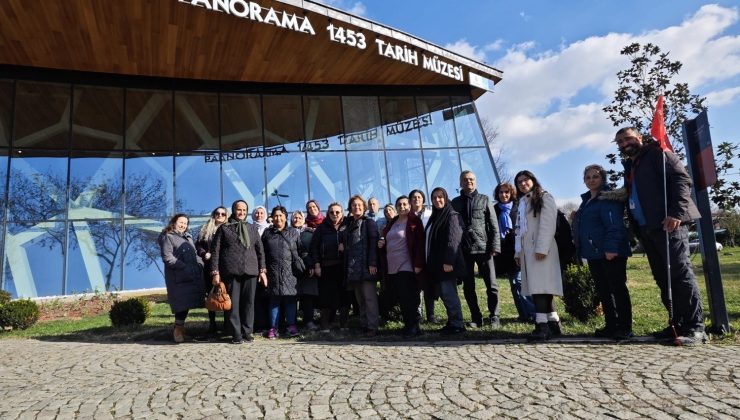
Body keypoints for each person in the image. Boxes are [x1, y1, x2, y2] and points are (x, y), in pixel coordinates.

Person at [614, 127, 705, 345]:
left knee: (680, 275)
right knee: (663, 278)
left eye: (627, 138)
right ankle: (677, 323)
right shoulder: (631, 165)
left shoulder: (658, 152)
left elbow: (682, 180)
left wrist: (676, 213)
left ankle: (696, 327)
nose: (624, 143)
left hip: (669, 225)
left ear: (640, 138)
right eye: (619, 141)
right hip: (647, 229)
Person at [573, 164, 633, 340]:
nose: (592, 180)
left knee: (617, 290)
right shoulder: (587, 202)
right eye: (588, 177)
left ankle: (624, 327)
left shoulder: (608, 198)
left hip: (609, 252)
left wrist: (611, 248)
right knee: (604, 291)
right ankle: (611, 325)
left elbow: (613, 225)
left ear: (603, 178)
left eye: (595, 176)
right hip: (594, 253)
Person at [514, 170, 564, 342]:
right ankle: (553, 322)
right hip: (528, 251)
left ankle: (542, 326)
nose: (522, 184)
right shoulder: (522, 202)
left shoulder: (544, 197)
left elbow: (548, 224)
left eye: (525, 180)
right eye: (519, 182)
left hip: (542, 250)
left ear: (533, 180)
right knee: (541, 287)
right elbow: (519, 230)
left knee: (541, 288)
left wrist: (541, 248)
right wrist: (518, 251)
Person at [211, 200, 267, 344]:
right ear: (234, 210)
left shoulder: (252, 228)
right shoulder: (224, 228)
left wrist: (262, 270)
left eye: (243, 210)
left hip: (251, 270)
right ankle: (236, 334)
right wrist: (215, 272)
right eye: (238, 209)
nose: (241, 212)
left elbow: (260, 250)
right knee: (233, 304)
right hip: (231, 271)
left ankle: (248, 332)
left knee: (249, 303)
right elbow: (215, 251)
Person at [451, 170, 501, 328]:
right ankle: (476, 318)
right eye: (465, 180)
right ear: (460, 183)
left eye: (472, 179)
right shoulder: (455, 202)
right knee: (468, 287)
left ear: (476, 181)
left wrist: (495, 246)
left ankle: (495, 317)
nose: (469, 182)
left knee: (491, 285)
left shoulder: (485, 199)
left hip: (484, 249)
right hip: (464, 250)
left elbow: (493, 225)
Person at [378, 195, 425, 337]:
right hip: (392, 266)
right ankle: (410, 324)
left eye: (405, 204)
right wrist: (381, 244)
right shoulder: (392, 222)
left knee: (408, 296)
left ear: (409, 206)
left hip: (407, 265)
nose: (402, 207)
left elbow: (420, 244)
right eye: (399, 205)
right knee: (401, 296)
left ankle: (412, 325)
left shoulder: (414, 221)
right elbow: (386, 238)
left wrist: (418, 263)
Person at [425, 187, 467, 334]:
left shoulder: (451, 215)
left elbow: (453, 239)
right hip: (437, 264)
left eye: (440, 197)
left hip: (447, 264)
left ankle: (458, 324)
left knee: (449, 294)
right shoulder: (436, 216)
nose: (437, 200)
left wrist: (449, 261)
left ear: (446, 197)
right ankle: (452, 321)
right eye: (434, 198)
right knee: (444, 294)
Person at [158, 214, 204, 343]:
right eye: (181, 222)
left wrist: (200, 264)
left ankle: (180, 329)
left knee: (187, 303)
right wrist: (184, 267)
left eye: (185, 223)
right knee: (181, 304)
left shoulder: (188, 237)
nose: (183, 225)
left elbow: (195, 253)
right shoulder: (168, 237)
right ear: (174, 222)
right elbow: (168, 257)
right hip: (177, 277)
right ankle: (177, 330)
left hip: (191, 275)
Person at [493, 182, 535, 323]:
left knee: (519, 282)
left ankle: (532, 313)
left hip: (518, 250)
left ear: (512, 193)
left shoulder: (518, 207)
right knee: (514, 284)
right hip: (504, 253)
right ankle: (523, 314)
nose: (504, 195)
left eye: (506, 192)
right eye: (501, 192)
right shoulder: (494, 210)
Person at [262, 206, 304, 339]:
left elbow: (301, 250)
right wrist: (263, 269)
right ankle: (273, 328)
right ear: (272, 218)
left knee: (290, 301)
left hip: (290, 272)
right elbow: (262, 253)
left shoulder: (293, 232)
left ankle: (291, 326)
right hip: (273, 272)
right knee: (274, 301)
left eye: (281, 215)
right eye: (276, 216)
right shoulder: (267, 233)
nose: (278, 218)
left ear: (286, 217)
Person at [343, 195, 380, 337]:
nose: (356, 207)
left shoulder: (368, 222)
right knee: (360, 299)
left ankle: (373, 326)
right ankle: (364, 325)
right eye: (353, 205)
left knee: (370, 298)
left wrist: (372, 263)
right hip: (354, 268)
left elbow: (373, 243)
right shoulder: (350, 224)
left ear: (364, 207)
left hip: (366, 266)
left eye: (359, 205)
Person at [311, 202, 349, 331]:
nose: (335, 214)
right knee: (326, 296)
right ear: (328, 214)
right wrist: (316, 265)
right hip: (326, 267)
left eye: (337, 212)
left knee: (344, 296)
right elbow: (314, 248)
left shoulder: (347, 226)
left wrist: (345, 247)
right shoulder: (321, 228)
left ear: (342, 213)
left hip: (343, 267)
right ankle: (325, 325)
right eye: (332, 212)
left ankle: (344, 325)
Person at [196, 206, 229, 335]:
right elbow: (198, 244)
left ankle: (228, 323)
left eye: (223, 214)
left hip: (226, 266)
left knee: (226, 293)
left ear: (227, 216)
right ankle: (212, 324)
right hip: (210, 267)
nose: (220, 215)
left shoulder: (229, 228)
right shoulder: (206, 229)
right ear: (213, 215)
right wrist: (204, 253)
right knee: (211, 294)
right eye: (217, 213)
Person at [409, 189, 437, 323]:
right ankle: (417, 314)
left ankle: (431, 314)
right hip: (413, 256)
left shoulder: (430, 214)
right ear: (410, 201)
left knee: (429, 285)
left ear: (423, 199)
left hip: (429, 254)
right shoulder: (407, 217)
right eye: (414, 197)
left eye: (419, 197)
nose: (416, 199)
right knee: (416, 287)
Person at [292, 209, 319, 331]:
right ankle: (292, 323)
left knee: (308, 296)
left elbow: (314, 251)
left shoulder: (310, 233)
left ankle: (308, 321)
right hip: (292, 270)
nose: (297, 219)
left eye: (299, 217)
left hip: (308, 269)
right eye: (295, 217)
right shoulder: (288, 232)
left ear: (303, 219)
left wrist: (312, 265)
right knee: (292, 296)